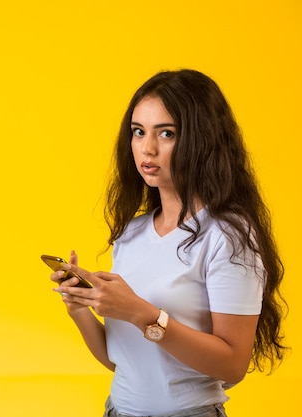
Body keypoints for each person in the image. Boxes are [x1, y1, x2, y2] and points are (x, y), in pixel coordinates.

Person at [50, 69, 287, 417]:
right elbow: (122, 364)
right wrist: (80, 306)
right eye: (138, 131)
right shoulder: (131, 234)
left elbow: (233, 365)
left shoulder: (229, 236)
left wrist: (140, 312)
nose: (148, 148)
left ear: (201, 139)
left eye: (167, 133)